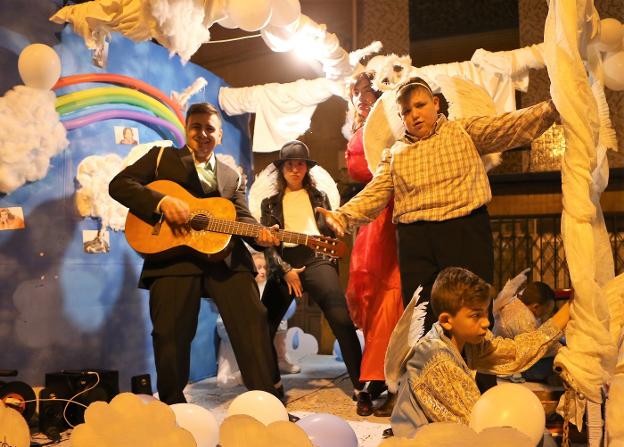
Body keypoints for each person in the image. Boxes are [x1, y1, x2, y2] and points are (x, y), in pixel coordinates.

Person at [318, 76, 559, 392]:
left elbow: (510, 126)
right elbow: (374, 193)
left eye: (419, 105)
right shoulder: (395, 154)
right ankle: (428, 390)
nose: (414, 114)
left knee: (473, 311)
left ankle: (478, 389)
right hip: (417, 239)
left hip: (464, 228)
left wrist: (554, 108)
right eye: (406, 111)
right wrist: (343, 216)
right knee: (423, 317)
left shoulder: (464, 131)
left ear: (435, 103)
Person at [109, 102, 283, 404]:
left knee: (253, 323)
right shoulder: (161, 158)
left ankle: (267, 402)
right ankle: (173, 407)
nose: (203, 134)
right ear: (186, 130)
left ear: (220, 135)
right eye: (196, 127)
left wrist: (262, 237)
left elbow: (241, 218)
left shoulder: (232, 175)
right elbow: (119, 185)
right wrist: (161, 202)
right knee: (170, 334)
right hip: (173, 257)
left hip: (226, 259)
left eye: (210, 128)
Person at [390, 267, 570, 438]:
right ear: (446, 320)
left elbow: (515, 353)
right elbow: (475, 424)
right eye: (476, 315)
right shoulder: (438, 359)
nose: (485, 323)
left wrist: (569, 309)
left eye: (485, 313)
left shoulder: (466, 341)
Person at [259, 140, 368, 413]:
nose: (295, 169)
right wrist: (284, 270)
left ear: (306, 168)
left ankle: (361, 388)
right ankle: (273, 386)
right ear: (282, 168)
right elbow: (267, 245)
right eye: (289, 164)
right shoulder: (269, 204)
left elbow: (332, 231)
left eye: (300, 164)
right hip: (284, 264)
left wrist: (332, 253)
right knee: (261, 325)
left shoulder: (320, 197)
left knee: (342, 322)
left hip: (317, 259)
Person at [344, 71, 403, 416]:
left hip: (398, 213)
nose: (362, 99)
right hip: (373, 218)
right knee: (369, 294)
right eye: (358, 94)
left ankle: (390, 378)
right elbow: (356, 167)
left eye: (368, 92)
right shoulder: (360, 130)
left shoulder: (395, 126)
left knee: (393, 298)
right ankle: (375, 376)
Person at [494, 281, 562, 382]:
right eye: (546, 310)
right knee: (561, 361)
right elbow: (538, 348)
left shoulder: (515, 304)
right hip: (510, 366)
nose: (546, 314)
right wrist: (562, 349)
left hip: (508, 358)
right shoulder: (524, 319)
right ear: (536, 307)